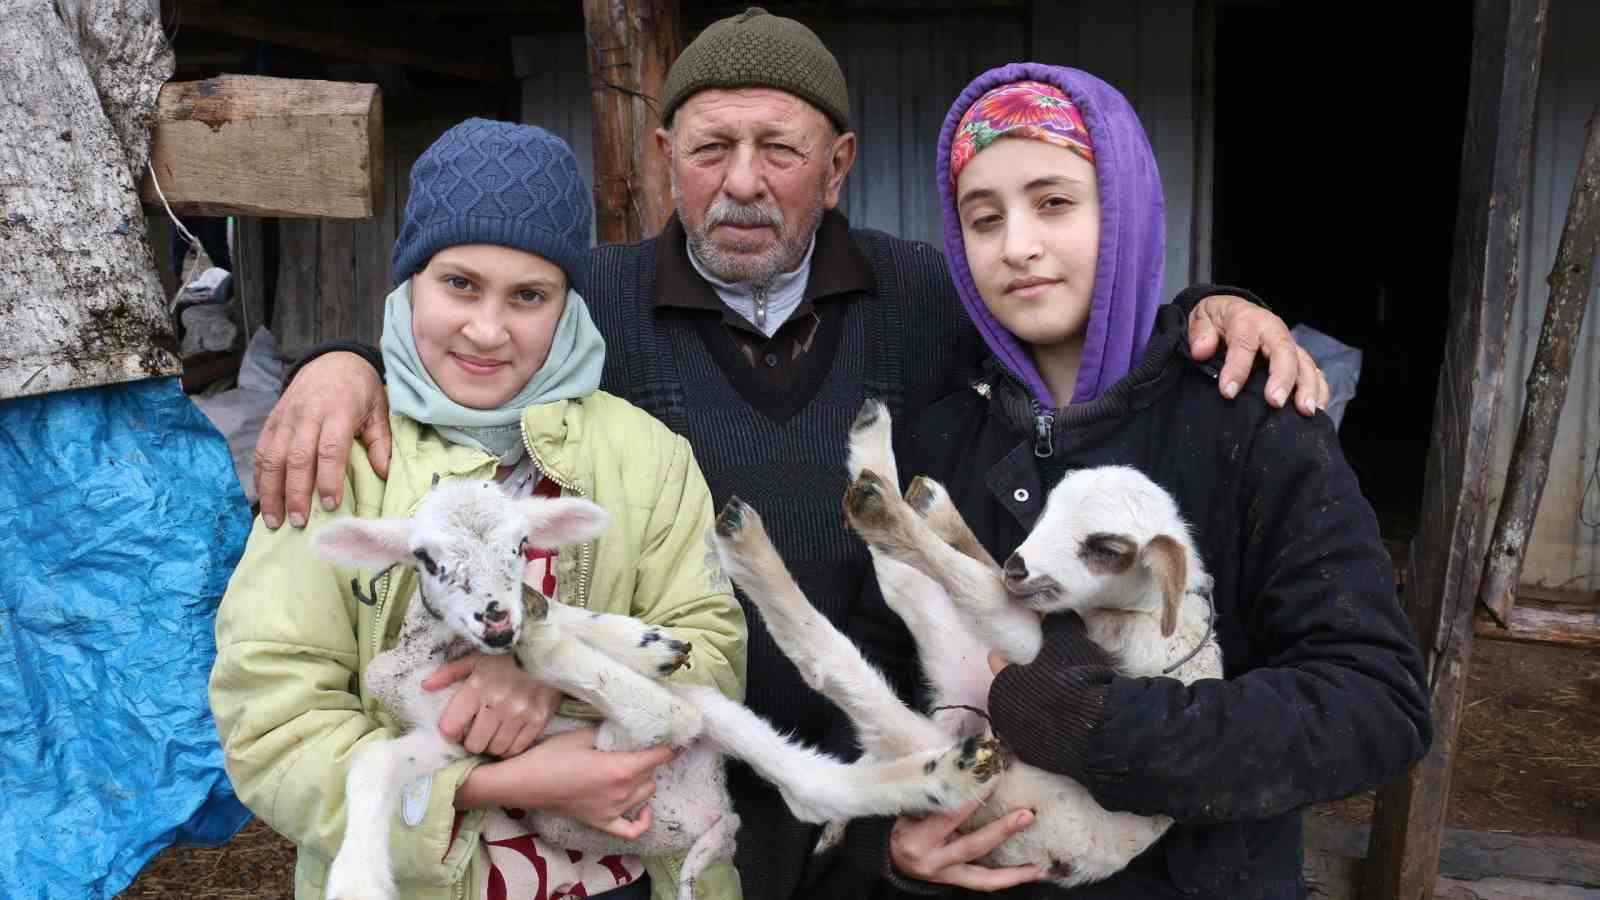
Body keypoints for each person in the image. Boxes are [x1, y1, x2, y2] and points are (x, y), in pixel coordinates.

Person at [252, 11, 1330, 897]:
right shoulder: (598, 308)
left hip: (884, 771)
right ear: (668, 157)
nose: (744, 180)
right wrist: (341, 363)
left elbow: (1062, 300)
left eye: (781, 147)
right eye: (711, 146)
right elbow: (475, 337)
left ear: (840, 163)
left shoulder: (927, 295)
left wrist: (1209, 305)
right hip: (669, 772)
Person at [859, 64, 1430, 898]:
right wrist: (898, 841)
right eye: (984, 219)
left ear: (1121, 209)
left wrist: (1100, 725)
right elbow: (888, 664)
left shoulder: (1250, 419)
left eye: (1054, 203)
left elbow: (1374, 705)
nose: (1017, 244)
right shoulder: (940, 438)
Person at [208, 120, 747, 900]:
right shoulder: (338, 457)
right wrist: (487, 784)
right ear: (410, 282)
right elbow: (270, 718)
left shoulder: (648, 457)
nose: (488, 329)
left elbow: (713, 653)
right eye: (459, 283)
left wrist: (554, 675)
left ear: (567, 305)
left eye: (529, 295)